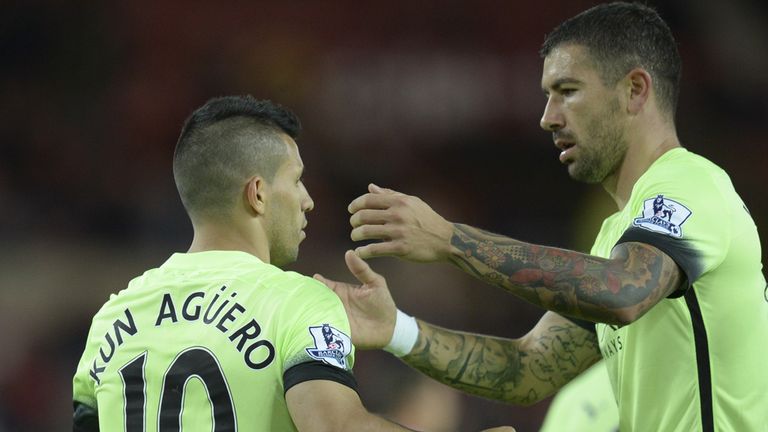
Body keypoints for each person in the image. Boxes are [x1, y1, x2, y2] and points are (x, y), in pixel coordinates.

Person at [316, 3, 768, 431]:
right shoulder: (619, 233)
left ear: (635, 90)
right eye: (547, 97)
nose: (547, 118)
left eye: (567, 92)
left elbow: (623, 291)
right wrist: (395, 329)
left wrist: (452, 240)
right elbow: (527, 368)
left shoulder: (690, 184)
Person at [71, 96, 515, 432]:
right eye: (297, 180)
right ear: (258, 193)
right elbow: (335, 426)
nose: (308, 200)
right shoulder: (297, 302)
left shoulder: (112, 318)